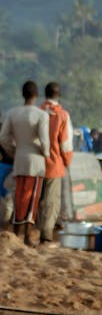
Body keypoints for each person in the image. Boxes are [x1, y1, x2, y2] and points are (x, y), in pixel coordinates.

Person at [0, 79, 50, 245]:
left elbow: (3, 138)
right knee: (32, 198)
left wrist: (15, 152)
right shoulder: (41, 115)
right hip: (35, 162)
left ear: (23, 95)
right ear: (36, 95)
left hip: (19, 159)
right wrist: (46, 154)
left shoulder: (13, 113)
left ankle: (15, 233)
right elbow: (44, 140)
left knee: (19, 197)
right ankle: (27, 237)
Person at [38, 82, 73, 243]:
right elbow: (65, 144)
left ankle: (32, 229)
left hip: (36, 163)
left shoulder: (37, 111)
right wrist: (67, 161)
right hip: (54, 164)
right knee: (52, 201)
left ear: (44, 95)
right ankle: (46, 234)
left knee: (36, 198)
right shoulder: (62, 115)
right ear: (59, 95)